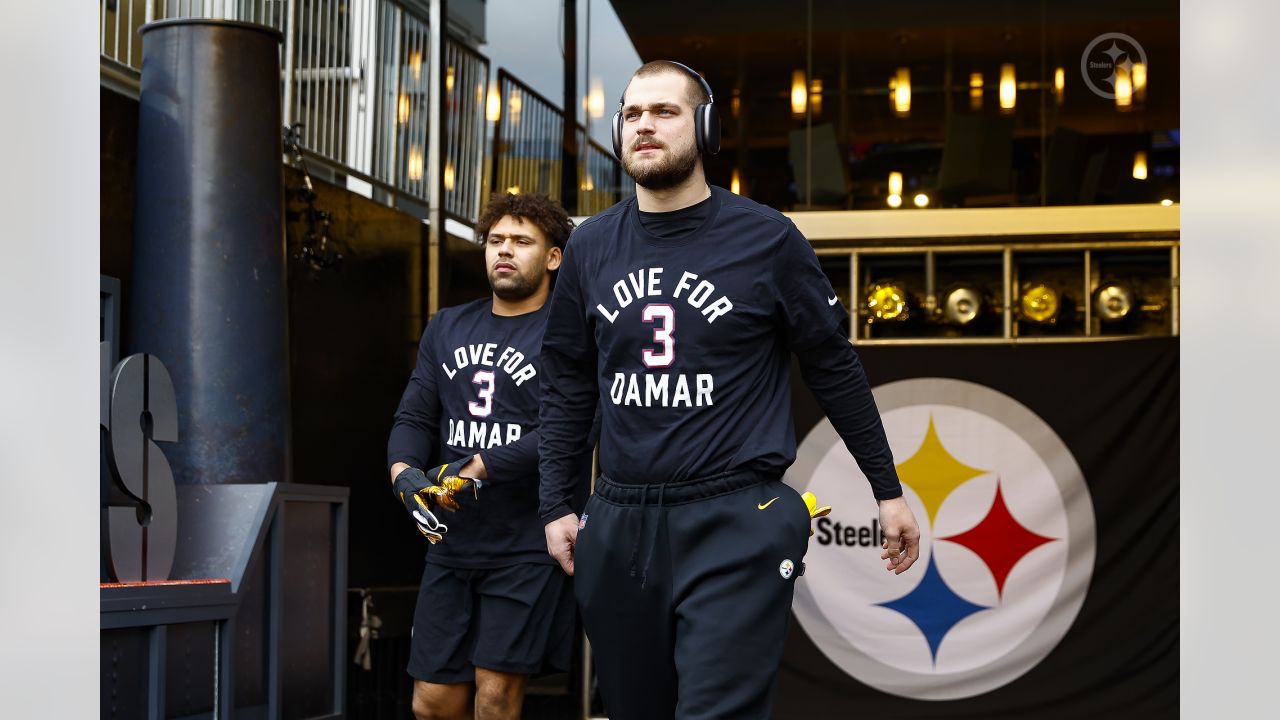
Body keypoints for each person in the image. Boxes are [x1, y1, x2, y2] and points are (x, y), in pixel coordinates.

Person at [537, 60, 922, 720]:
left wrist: (886, 489)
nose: (645, 126)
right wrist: (556, 504)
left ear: (707, 128)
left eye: (665, 112)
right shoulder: (590, 246)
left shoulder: (766, 238)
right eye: (632, 115)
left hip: (735, 516)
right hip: (620, 519)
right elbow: (568, 384)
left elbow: (833, 365)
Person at [387, 192, 591, 720]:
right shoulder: (447, 325)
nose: (504, 251)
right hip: (454, 545)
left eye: (522, 241)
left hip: (526, 542)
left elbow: (570, 429)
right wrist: (404, 472)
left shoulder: (568, 332)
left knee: (495, 698)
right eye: (496, 240)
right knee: (432, 703)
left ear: (553, 257)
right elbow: (413, 417)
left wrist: (482, 467)